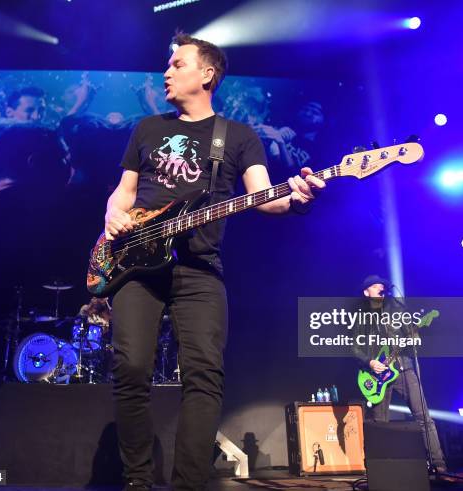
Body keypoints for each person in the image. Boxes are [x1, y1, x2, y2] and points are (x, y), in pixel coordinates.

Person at [104, 33, 325, 491]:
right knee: (130, 369)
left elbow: (264, 198)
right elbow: (123, 193)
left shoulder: (238, 137)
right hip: (134, 266)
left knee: (204, 376)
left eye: (177, 63)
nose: (166, 71)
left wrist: (298, 198)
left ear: (207, 74)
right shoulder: (147, 129)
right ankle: (137, 482)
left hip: (199, 268)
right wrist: (112, 216)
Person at [351, 275, 447, 473]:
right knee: (379, 423)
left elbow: (411, 335)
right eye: (375, 286)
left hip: (403, 368)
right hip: (377, 374)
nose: (380, 288)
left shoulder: (396, 308)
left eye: (382, 286)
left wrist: (415, 334)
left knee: (424, 417)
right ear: (366, 292)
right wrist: (370, 362)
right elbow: (353, 347)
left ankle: (438, 464)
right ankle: (380, 469)